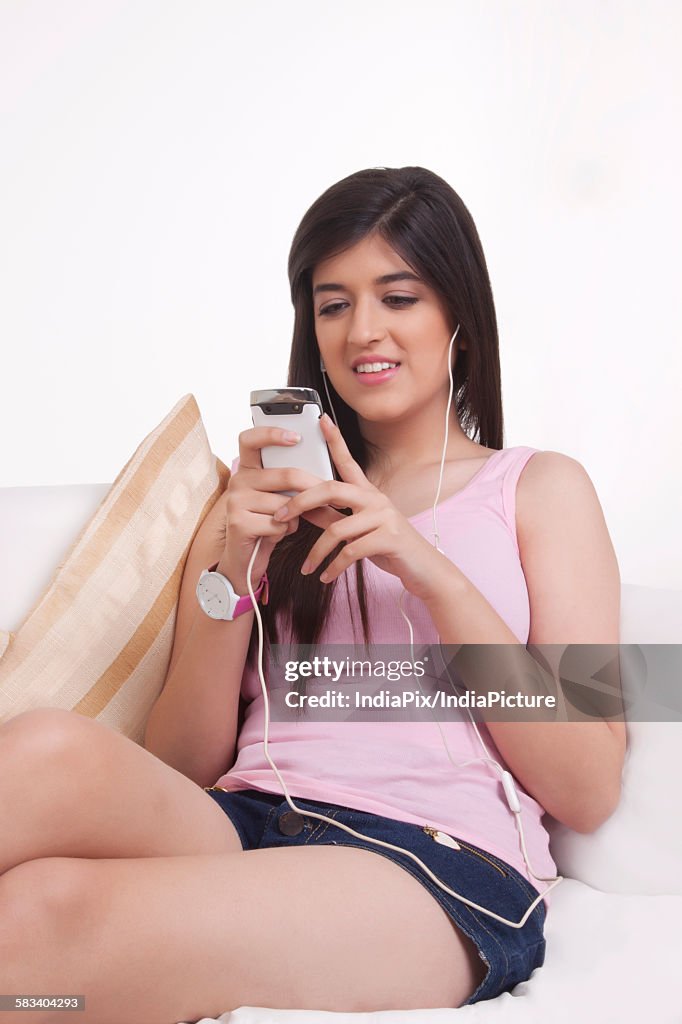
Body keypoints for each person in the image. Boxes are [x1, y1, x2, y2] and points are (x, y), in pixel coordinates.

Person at [0, 166, 626, 1022]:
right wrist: (233, 566)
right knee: (41, 750)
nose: (363, 329)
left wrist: (430, 572)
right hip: (241, 821)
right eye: (333, 304)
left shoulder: (546, 488)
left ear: (460, 321)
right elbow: (184, 766)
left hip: (429, 863)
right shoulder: (258, 508)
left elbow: (590, 783)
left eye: (397, 297)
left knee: (45, 916)